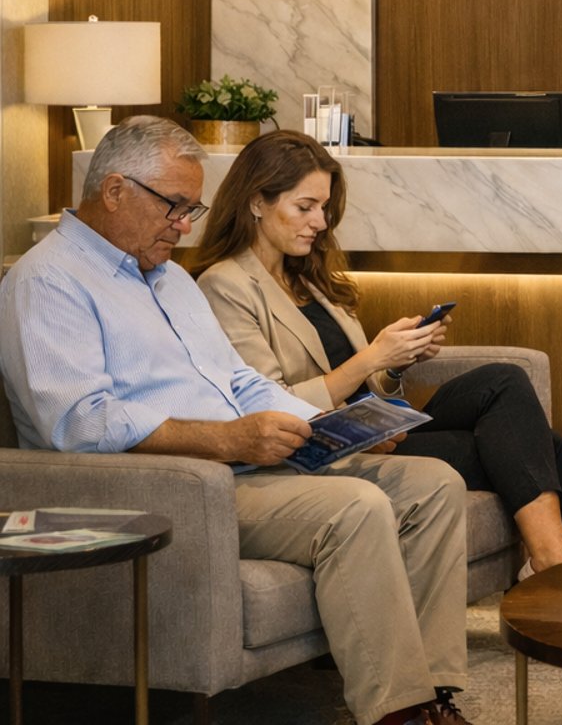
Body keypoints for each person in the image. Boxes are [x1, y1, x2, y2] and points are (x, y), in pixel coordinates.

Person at [0, 117, 469, 725]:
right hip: (177, 486)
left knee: (433, 483)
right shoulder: (47, 280)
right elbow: (79, 421)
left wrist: (335, 424)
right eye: (174, 206)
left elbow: (239, 380)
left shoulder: (168, 279)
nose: (183, 225)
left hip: (244, 463)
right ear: (114, 191)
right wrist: (224, 439)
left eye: (190, 209)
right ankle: (397, 714)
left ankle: (432, 696)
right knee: (355, 508)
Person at [195, 129, 562, 576]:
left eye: (324, 208)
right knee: (545, 446)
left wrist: (398, 361)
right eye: (305, 207)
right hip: (330, 446)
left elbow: (368, 385)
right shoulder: (226, 285)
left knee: (504, 380)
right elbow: (271, 407)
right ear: (257, 201)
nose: (320, 222)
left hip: (381, 427)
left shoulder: (310, 280)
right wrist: (372, 357)